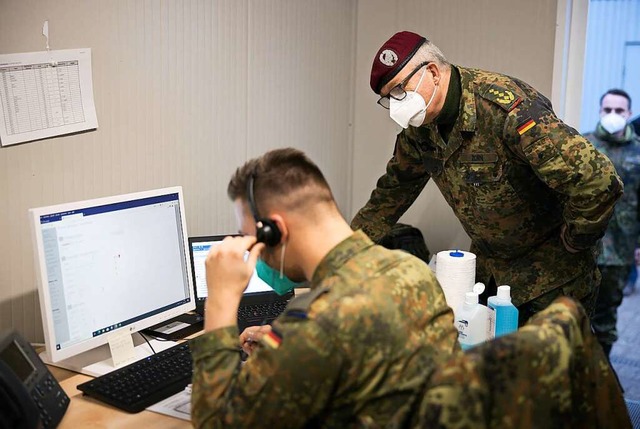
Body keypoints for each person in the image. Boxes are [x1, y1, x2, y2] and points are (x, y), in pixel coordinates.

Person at [351, 31, 623, 325]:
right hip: (489, 276)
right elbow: (392, 192)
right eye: (387, 99)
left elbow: (598, 181)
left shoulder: (504, 109)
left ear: (432, 72)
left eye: (398, 91)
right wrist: (344, 253)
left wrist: (574, 241)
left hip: (552, 280)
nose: (395, 106)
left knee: (553, 368)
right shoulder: (422, 128)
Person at [190, 148, 459, 428]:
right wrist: (285, 352)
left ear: (276, 230)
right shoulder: (413, 270)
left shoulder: (314, 321)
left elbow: (215, 423)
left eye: (251, 239)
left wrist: (220, 301)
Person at [584, 88, 640, 357]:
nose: (613, 115)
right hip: (582, 246)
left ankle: (602, 372)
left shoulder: (638, 153)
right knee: (576, 312)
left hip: (620, 250)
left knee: (606, 317)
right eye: (608, 110)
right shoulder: (583, 145)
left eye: (619, 111)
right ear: (599, 111)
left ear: (629, 114)